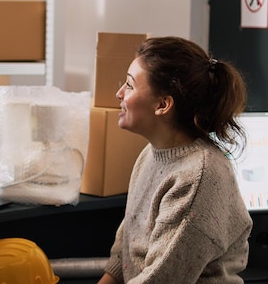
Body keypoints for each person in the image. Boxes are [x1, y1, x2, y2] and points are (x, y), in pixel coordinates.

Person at [98, 36, 253, 283]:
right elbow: (125, 251)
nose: (118, 93)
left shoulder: (198, 176)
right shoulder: (150, 154)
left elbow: (161, 279)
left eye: (129, 85)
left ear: (163, 104)